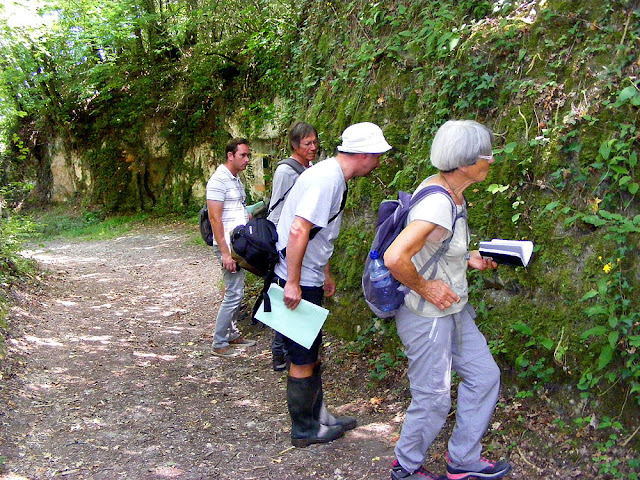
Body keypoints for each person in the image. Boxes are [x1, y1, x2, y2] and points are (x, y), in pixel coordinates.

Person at [384, 120, 512, 480]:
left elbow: (437, 244)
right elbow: (396, 258)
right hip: (426, 316)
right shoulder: (439, 202)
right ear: (467, 162)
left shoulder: (453, 192)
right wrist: (425, 286)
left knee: (484, 376)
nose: (491, 160)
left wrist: (466, 257)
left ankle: (463, 460)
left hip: (454, 310)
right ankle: (405, 468)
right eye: (487, 155)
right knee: (433, 398)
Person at [275, 122, 393, 447]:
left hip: (305, 273)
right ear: (365, 154)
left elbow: (318, 231)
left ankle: (320, 417)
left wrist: (325, 272)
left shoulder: (330, 175)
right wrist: (294, 283)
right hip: (295, 276)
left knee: (310, 353)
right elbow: (299, 230)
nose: (379, 162)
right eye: (378, 155)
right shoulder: (327, 179)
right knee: (302, 356)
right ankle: (304, 429)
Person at [267, 122, 319, 371]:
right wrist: (280, 244)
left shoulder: (310, 168)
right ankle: (280, 352)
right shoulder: (286, 171)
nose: (313, 147)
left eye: (314, 142)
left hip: (300, 240)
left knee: (293, 300)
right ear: (295, 145)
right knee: (285, 295)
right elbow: (277, 210)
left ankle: (291, 350)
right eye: (307, 143)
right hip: (285, 240)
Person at [206, 138, 257, 358]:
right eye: (243, 155)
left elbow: (233, 210)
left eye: (248, 155)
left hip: (239, 245)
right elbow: (215, 219)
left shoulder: (235, 180)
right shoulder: (218, 180)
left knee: (236, 290)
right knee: (234, 293)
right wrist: (226, 253)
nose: (247, 160)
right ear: (230, 155)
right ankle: (219, 342)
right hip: (228, 247)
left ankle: (232, 333)